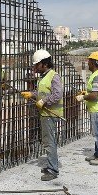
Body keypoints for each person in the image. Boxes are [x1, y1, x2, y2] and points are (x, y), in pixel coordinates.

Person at [25, 49, 63, 181]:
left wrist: (43, 101)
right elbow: (43, 93)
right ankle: (51, 164)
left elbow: (57, 95)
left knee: (49, 142)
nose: (35, 67)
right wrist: (32, 94)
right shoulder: (45, 77)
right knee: (47, 141)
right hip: (45, 113)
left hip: (51, 114)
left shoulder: (54, 76)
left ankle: (53, 170)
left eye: (37, 64)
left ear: (44, 64)